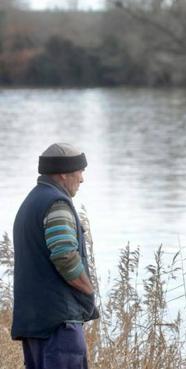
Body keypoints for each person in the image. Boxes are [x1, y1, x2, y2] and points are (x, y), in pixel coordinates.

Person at [12, 143, 99, 369]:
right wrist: (89, 290)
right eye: (79, 172)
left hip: (35, 324)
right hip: (59, 325)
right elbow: (64, 256)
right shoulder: (56, 204)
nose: (82, 179)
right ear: (63, 174)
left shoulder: (31, 202)